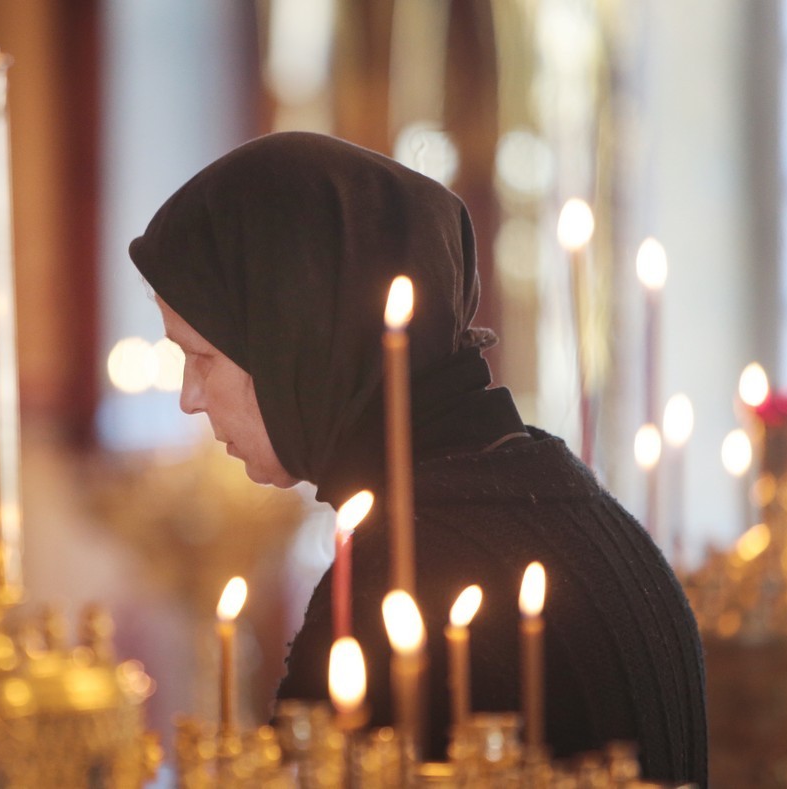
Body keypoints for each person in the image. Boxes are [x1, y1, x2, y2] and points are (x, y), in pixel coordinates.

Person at [128, 131, 706, 784]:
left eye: (201, 356)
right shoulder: (588, 512)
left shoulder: (404, 573)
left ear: (297, 339)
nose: (189, 398)